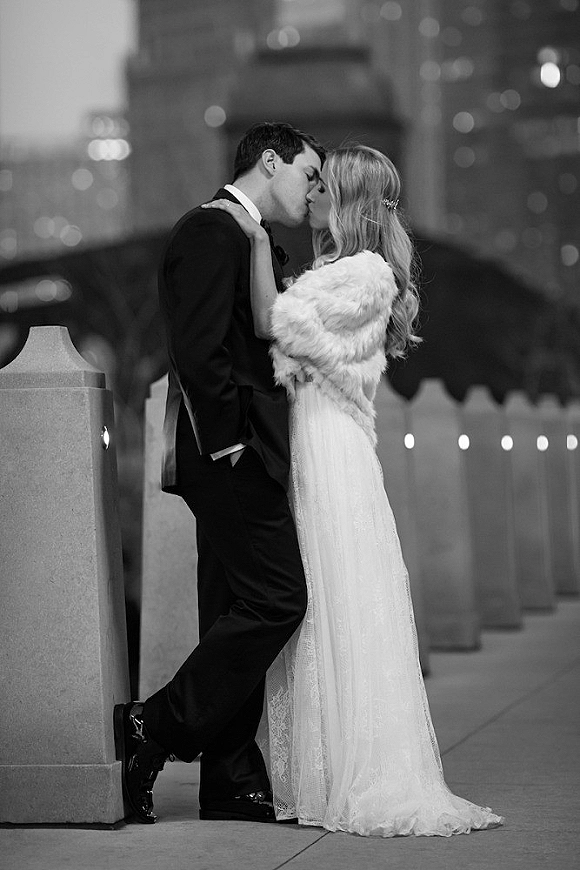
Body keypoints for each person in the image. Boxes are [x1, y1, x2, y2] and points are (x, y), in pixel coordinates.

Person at [203, 144, 505, 837]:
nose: (311, 194)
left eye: (323, 186)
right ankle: (321, 769)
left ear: (347, 202)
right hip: (316, 442)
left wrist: (255, 243)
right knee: (320, 603)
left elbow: (272, 322)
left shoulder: (365, 273)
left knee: (332, 597)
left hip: (330, 449)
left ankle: (352, 772)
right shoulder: (341, 269)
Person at [114, 121, 326, 824]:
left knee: (233, 606)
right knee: (279, 598)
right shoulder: (211, 230)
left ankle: (230, 778)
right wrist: (231, 444)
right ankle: (153, 725)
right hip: (229, 452)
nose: (314, 190)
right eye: (308, 174)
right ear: (270, 161)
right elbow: (198, 348)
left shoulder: (250, 237)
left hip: (244, 450)